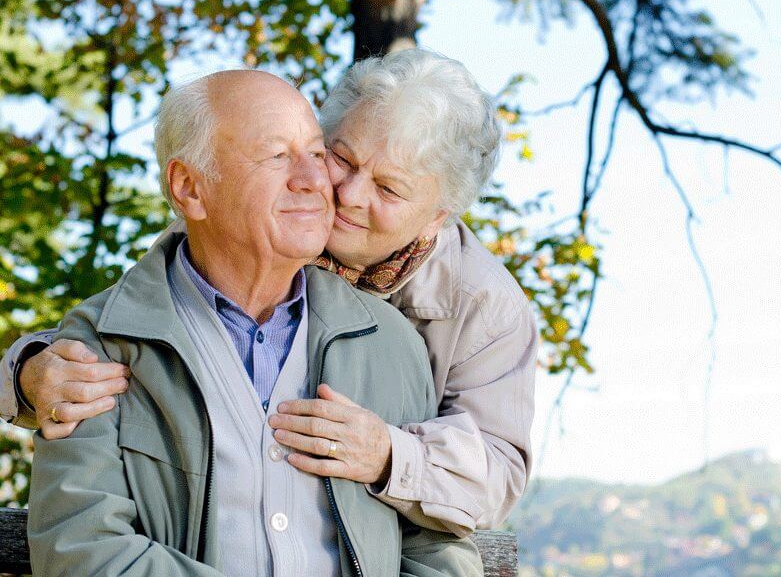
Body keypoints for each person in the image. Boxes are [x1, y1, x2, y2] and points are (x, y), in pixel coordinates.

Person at [2, 49, 538, 536]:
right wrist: (28, 374)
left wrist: (387, 454)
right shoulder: (255, 220)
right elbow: (137, 333)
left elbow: (497, 478)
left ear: (439, 214)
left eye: (388, 188)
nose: (347, 195)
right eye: (342, 159)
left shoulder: (483, 307)